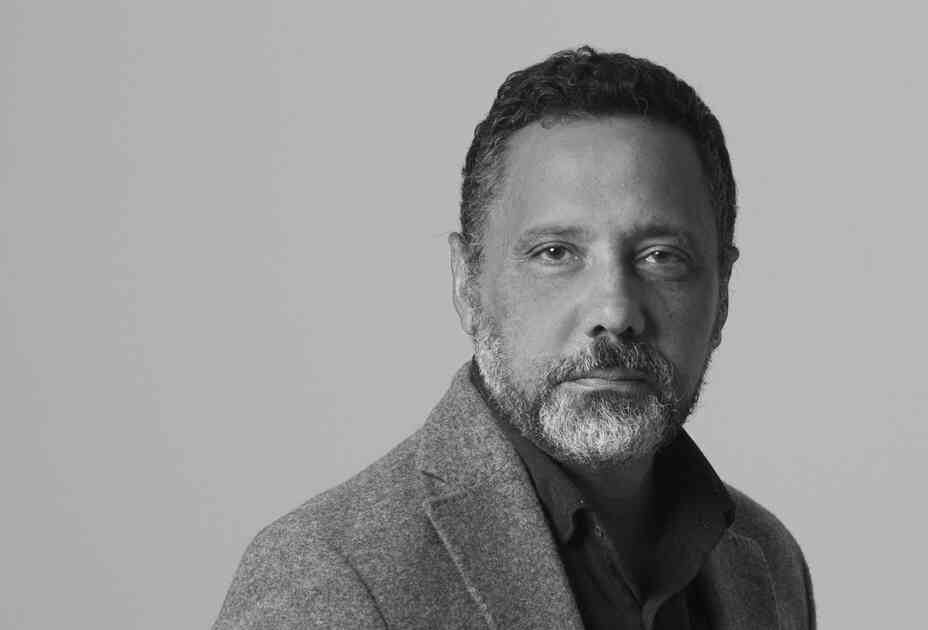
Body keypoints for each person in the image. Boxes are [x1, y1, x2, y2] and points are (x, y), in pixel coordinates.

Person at [213, 46, 815, 629]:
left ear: (723, 290)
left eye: (661, 256)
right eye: (555, 253)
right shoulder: (331, 579)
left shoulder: (765, 559)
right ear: (467, 283)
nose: (615, 311)